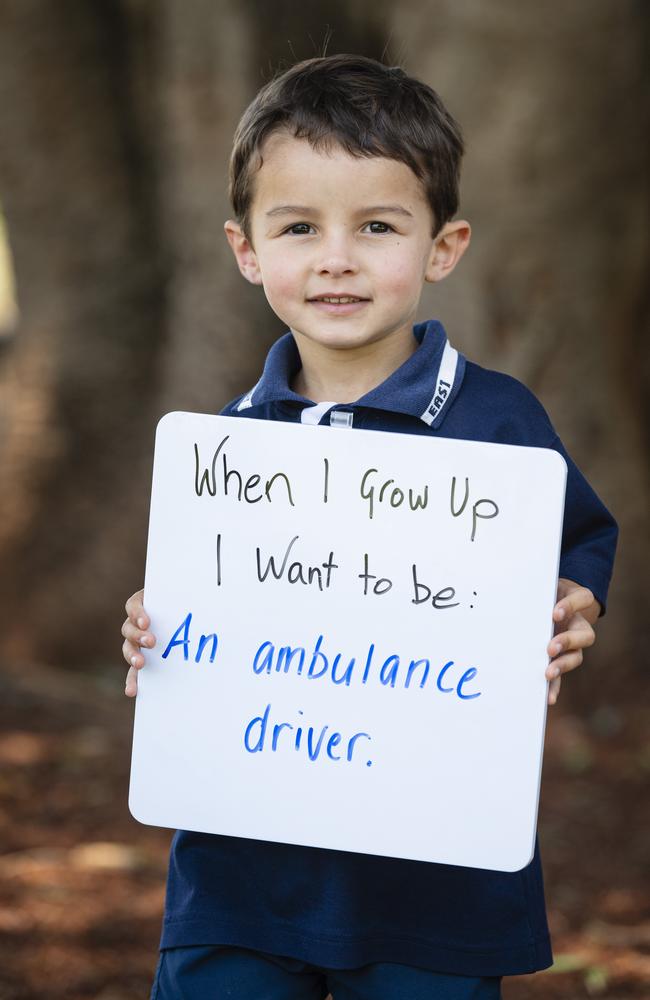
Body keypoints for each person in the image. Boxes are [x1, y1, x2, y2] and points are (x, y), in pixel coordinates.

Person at [120, 54, 618, 1000]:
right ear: (246, 251)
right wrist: (155, 623)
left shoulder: (502, 423)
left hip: (435, 888)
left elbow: (578, 545)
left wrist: (572, 604)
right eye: (299, 226)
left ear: (443, 246)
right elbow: (194, 599)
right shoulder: (224, 447)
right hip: (240, 881)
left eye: (377, 227)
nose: (336, 257)